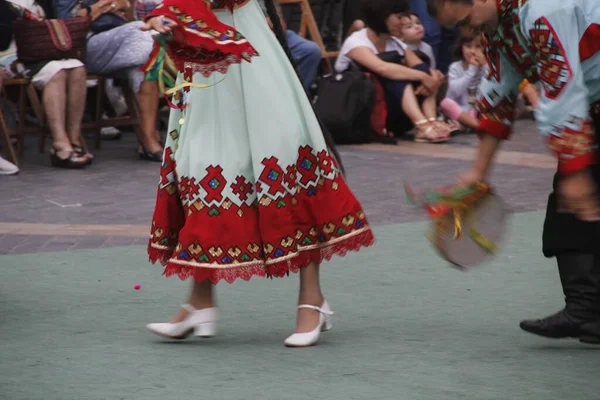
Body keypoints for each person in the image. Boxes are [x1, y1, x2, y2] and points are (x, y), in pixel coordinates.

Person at [142, 0, 375, 347]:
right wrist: (167, 12)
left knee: (284, 158)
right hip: (205, 51)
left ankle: (311, 299)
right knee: (201, 166)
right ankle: (200, 301)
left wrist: (174, 12)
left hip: (247, 47)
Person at [427, 0, 600, 344]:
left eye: (466, 22)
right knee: (568, 210)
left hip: (585, 100)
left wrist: (577, 171)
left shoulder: (544, 8)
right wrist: (478, 172)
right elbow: (497, 96)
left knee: (576, 193)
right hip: (591, 106)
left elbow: (560, 87)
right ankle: (588, 313)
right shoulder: (497, 25)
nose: (468, 36)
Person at [335, 0, 450, 142]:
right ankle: (422, 125)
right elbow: (381, 68)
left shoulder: (395, 43)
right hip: (359, 110)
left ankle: (431, 120)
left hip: (391, 112)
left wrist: (431, 76)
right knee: (396, 77)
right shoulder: (356, 41)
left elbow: (421, 67)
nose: (402, 22)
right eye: (399, 17)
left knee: (423, 71)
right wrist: (422, 77)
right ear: (382, 17)